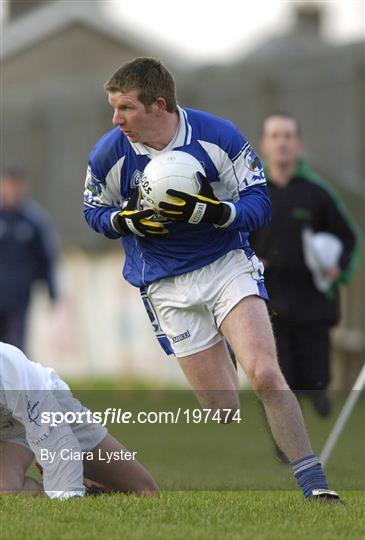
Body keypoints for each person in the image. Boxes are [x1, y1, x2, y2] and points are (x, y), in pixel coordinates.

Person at [83, 57, 342, 502]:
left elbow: (260, 203)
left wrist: (215, 212)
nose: (116, 119)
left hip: (226, 266)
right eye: (114, 108)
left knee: (263, 373)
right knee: (222, 411)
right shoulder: (110, 153)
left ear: (158, 105)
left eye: (125, 108)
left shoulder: (218, 136)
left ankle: (315, 486)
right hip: (165, 285)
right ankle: (227, 342)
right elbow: (93, 211)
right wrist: (127, 221)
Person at [250, 113, 359, 421]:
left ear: (298, 144)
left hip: (313, 303)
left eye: (287, 136)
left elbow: (349, 238)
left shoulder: (317, 194)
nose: (281, 142)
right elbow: (233, 240)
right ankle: (285, 442)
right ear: (264, 145)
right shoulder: (252, 194)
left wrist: (339, 267)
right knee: (278, 376)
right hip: (268, 302)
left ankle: (318, 393)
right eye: (275, 136)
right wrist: (251, 260)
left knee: (316, 376)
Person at [0, 341, 158, 498]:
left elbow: (54, 436)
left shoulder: (7, 365)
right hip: (8, 430)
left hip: (54, 407)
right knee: (6, 492)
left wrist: (68, 496)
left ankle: (84, 478)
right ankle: (45, 490)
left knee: (146, 491)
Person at [0, 169, 59, 350]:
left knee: (15, 349)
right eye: (9, 185)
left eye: (17, 185)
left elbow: (45, 257)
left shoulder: (33, 220)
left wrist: (51, 290)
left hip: (19, 296)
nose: (13, 190)